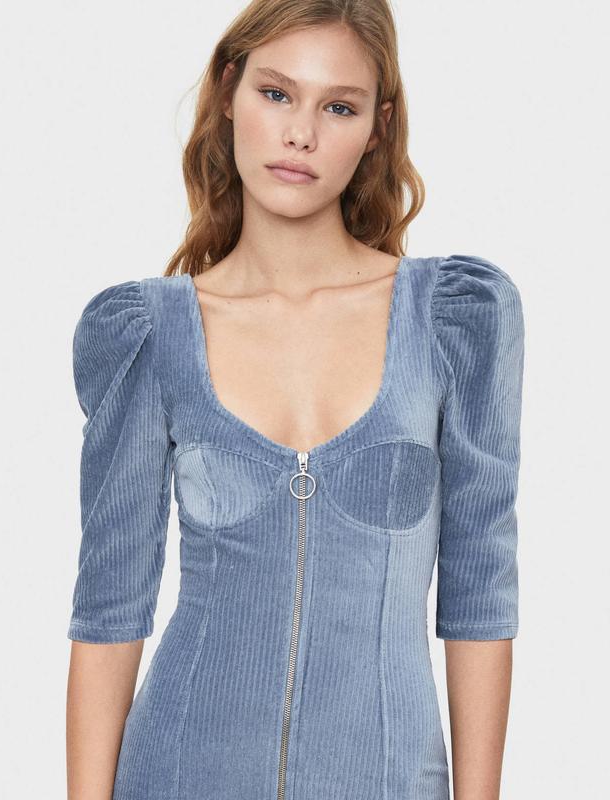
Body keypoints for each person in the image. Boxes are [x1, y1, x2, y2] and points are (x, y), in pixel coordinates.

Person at [65, 1, 525, 799]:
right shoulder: (150, 334)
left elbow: (480, 594)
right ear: (229, 91)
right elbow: (109, 612)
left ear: (377, 129)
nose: (300, 133)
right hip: (178, 773)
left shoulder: (453, 319)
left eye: (338, 107)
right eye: (276, 93)